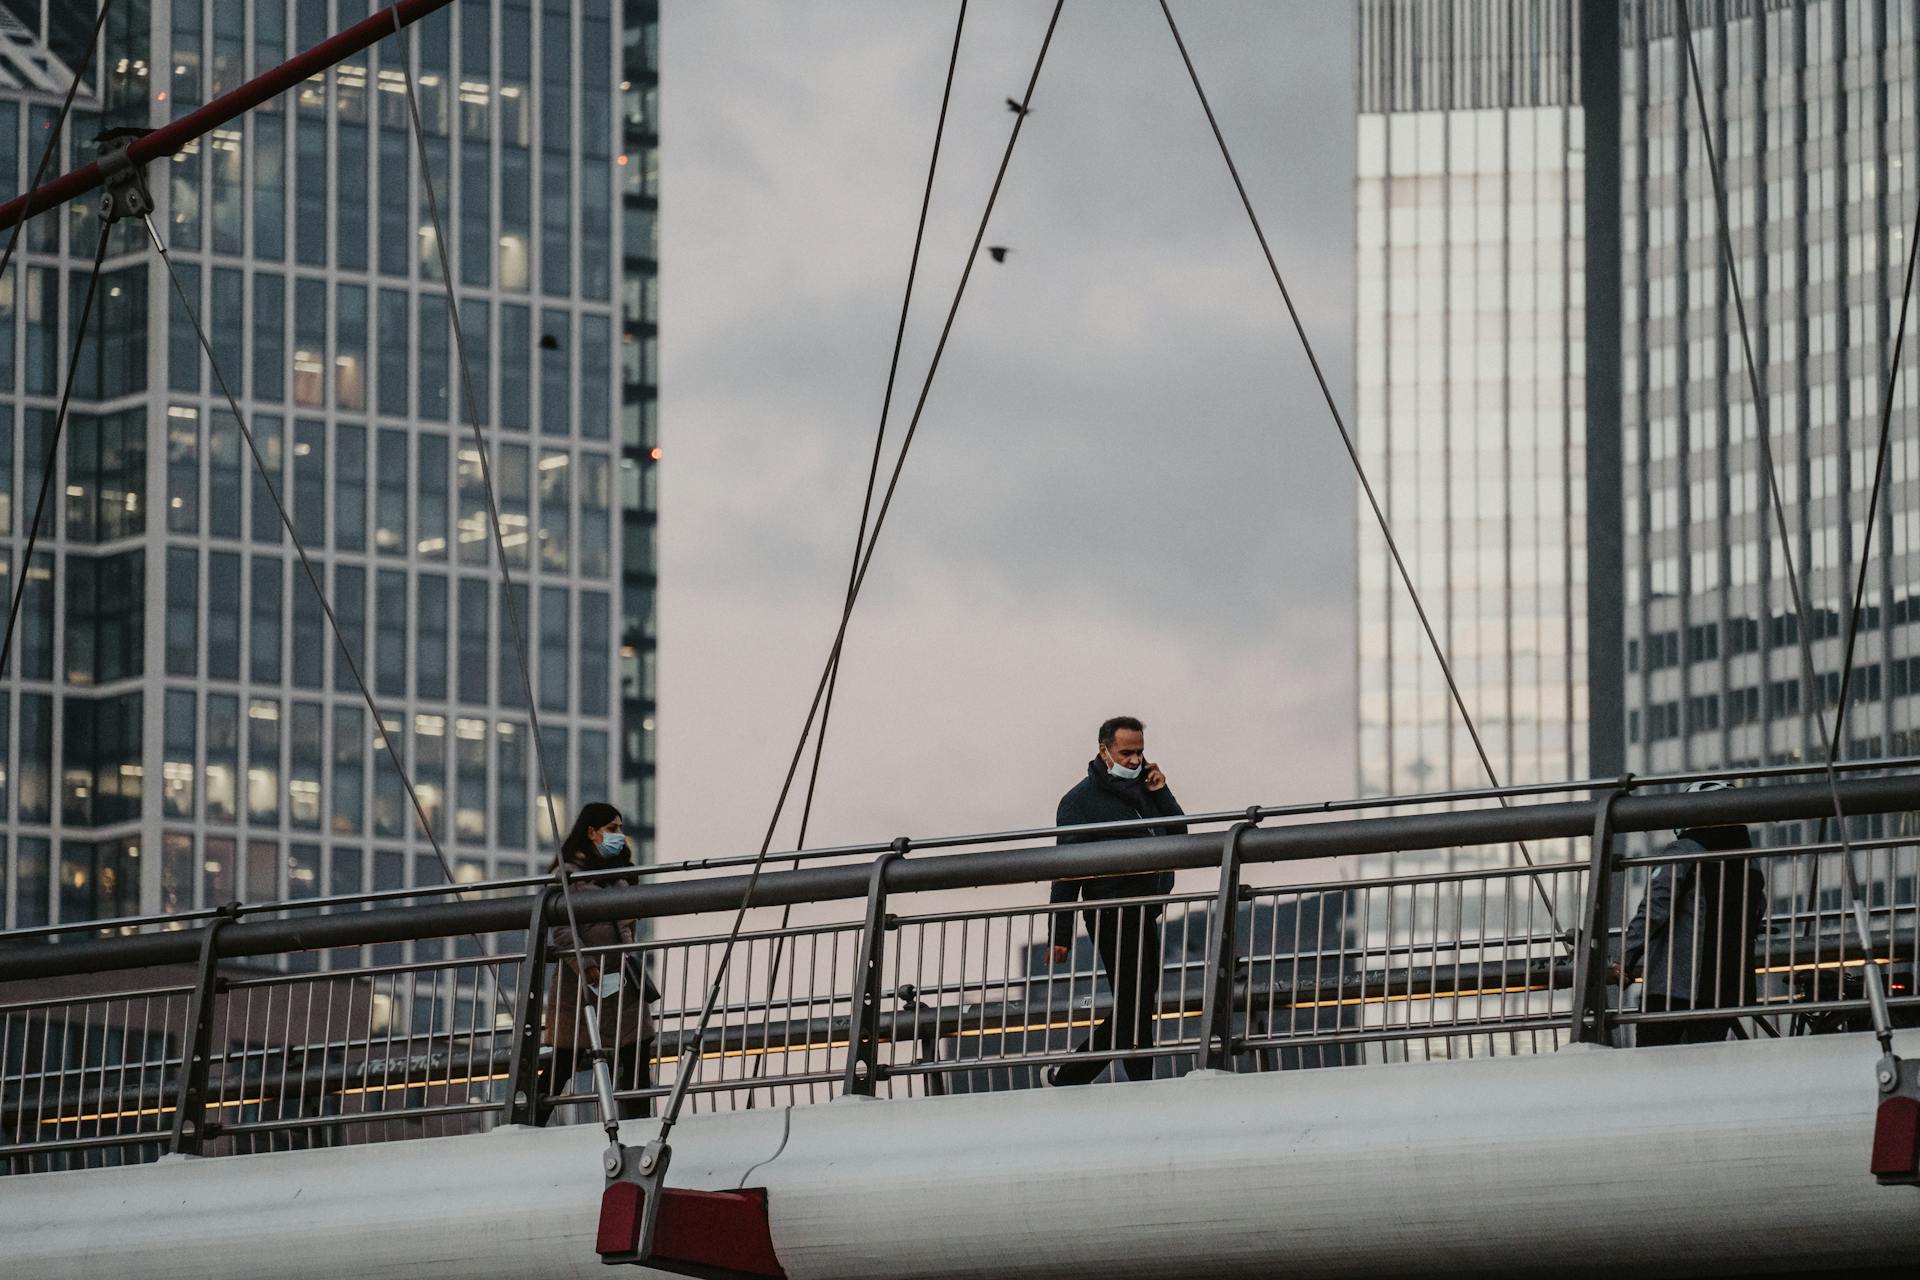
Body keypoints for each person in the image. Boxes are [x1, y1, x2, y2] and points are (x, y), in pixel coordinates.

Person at [1045, 716, 1187, 1086]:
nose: (1135, 760)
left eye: (1139, 752)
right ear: (1103, 751)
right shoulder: (1079, 802)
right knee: (1135, 1004)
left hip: (1145, 909)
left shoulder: (1145, 789)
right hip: (1111, 912)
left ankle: (1075, 1078)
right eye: (1126, 753)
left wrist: (1162, 792)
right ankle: (1090, 1078)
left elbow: (1181, 835)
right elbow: (1066, 871)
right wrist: (1060, 934)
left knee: (1137, 1003)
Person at [1613, 780, 1766, 1047]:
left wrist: (1623, 958)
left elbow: (1654, 910)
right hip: (1725, 988)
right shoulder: (1749, 864)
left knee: (1653, 1068)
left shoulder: (1684, 852)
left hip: (1675, 986)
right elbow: (1756, 913)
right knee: (1704, 1068)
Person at [539, 802, 659, 1123]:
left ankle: (638, 1124)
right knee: (566, 1059)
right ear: (591, 832)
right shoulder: (567, 877)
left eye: (620, 828)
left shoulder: (617, 875)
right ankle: (526, 1120)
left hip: (622, 983)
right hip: (582, 986)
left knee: (636, 1055)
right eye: (612, 829)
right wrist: (587, 965)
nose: (619, 836)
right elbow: (563, 933)